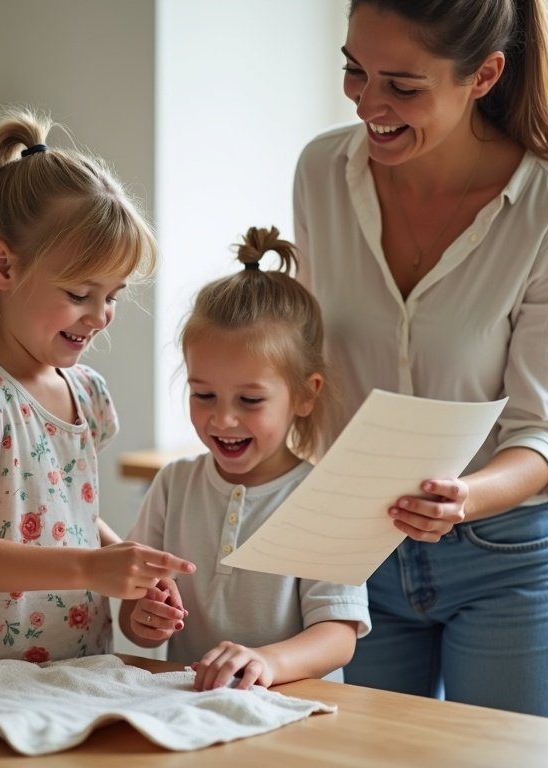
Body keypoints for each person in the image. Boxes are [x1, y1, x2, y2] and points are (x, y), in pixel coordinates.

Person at [292, 0, 548, 719]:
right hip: (356, 551)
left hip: (506, 560)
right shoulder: (320, 172)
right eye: (354, 70)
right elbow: (308, 360)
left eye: (402, 86)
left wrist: (463, 498)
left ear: (485, 75)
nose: (370, 104)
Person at [0, 107, 195, 664]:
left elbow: (63, 511)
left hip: (75, 670)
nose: (102, 315)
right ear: (3, 267)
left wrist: (127, 569)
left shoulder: (84, 392)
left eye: (112, 296)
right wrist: (89, 566)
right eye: (80, 293)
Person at [118, 226, 371, 691]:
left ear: (304, 395)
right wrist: (144, 618)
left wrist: (265, 663)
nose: (223, 420)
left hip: (296, 713)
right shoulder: (174, 485)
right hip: (195, 709)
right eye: (204, 394)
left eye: (250, 401)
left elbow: (338, 636)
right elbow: (133, 612)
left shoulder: (326, 499)